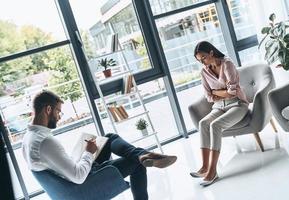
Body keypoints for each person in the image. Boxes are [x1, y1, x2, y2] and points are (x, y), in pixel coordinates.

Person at [22, 91, 177, 200]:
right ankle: (142, 156)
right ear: (48, 109)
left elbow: (59, 167)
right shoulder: (45, 142)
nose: (59, 117)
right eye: (58, 112)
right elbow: (78, 177)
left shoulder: (29, 138)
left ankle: (142, 154)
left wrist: (83, 155)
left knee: (109, 138)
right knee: (136, 164)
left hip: (68, 187)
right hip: (81, 189)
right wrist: (88, 153)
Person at [190, 41, 249, 186]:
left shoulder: (227, 64)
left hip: (237, 104)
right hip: (218, 107)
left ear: (211, 52)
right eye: (199, 60)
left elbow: (233, 92)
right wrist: (220, 93)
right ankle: (204, 167)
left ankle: (212, 171)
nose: (202, 62)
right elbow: (209, 97)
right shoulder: (204, 72)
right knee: (203, 123)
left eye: (203, 57)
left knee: (215, 126)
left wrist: (216, 91)